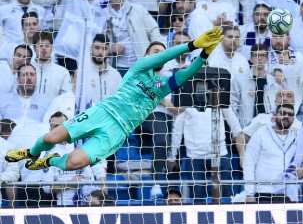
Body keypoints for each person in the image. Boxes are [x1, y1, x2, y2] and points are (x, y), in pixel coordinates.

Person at [4, 27, 223, 171]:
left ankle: (49, 161)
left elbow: (185, 74)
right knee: (52, 138)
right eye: (155, 51)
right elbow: (164, 56)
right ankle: (30, 153)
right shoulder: (138, 68)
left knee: (74, 162)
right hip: (102, 112)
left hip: (117, 132)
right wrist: (192, 45)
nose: (159, 55)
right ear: (149, 55)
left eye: (161, 53)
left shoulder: (161, 87)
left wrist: (204, 55)